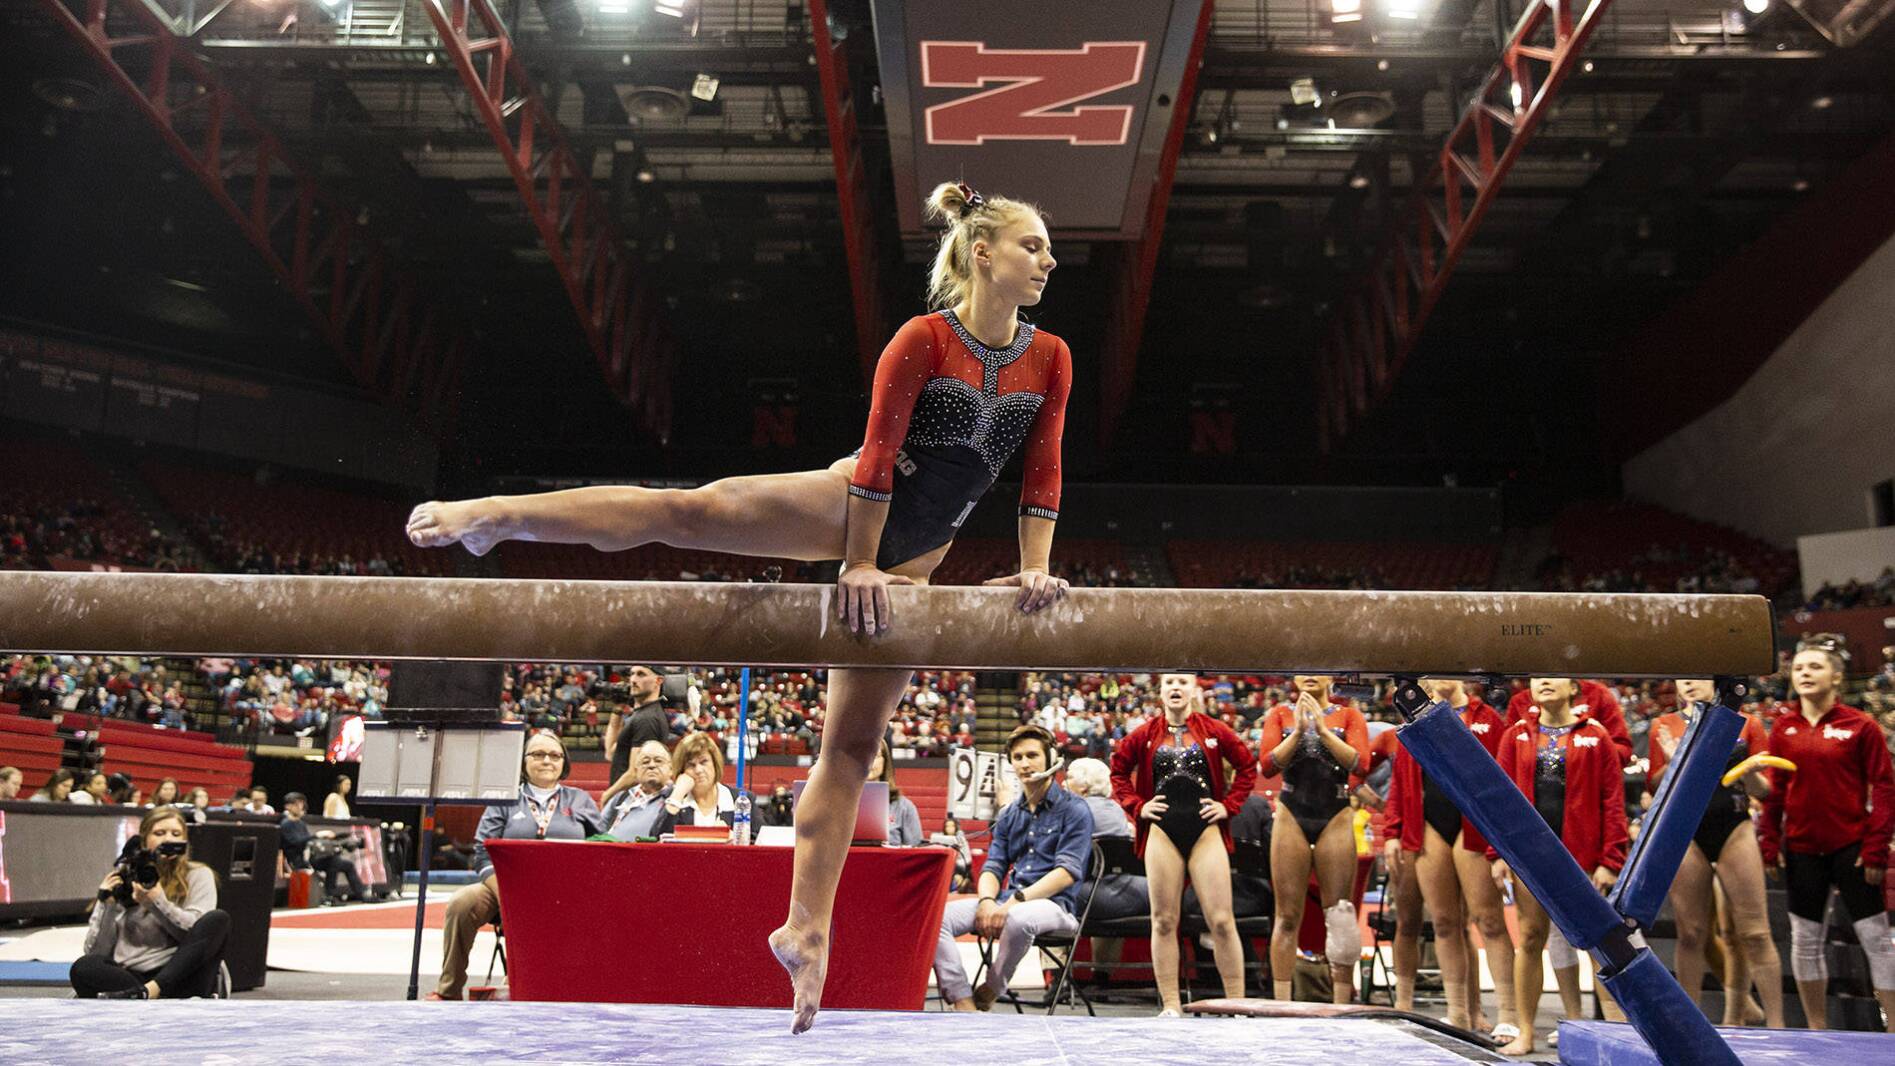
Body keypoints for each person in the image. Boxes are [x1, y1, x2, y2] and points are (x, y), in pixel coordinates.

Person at [407, 179, 1071, 1033]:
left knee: (852, 747)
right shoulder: (923, 338)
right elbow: (876, 458)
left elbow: (1043, 468)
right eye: (1032, 246)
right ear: (982, 253)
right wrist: (858, 563)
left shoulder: (1048, 356)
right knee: (692, 510)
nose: (1048, 260)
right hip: (850, 507)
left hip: (917, 559)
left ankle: (804, 928)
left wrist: (1033, 570)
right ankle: (497, 517)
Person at [1758, 636, 1895, 1031]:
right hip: (1802, 849)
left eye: (1815, 667)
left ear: (1837, 677)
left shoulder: (1861, 726)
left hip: (1852, 849)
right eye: (1799, 668)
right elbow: (1776, 792)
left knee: (1877, 941)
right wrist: (1769, 843)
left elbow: (1883, 789)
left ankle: (1892, 1032)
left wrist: (1875, 849)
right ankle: (1818, 1031)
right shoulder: (1783, 728)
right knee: (1804, 942)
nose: (1804, 673)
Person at [1490, 678, 1630, 1057]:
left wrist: (1610, 860)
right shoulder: (1516, 733)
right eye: (1538, 678)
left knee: (1597, 942)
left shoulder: (1596, 735)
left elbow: (1613, 801)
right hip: (1530, 855)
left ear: (1574, 689)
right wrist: (1499, 853)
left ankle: (1614, 1031)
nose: (1544, 682)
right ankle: (1525, 1032)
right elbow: (1497, 798)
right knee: (1531, 938)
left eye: (1554, 677)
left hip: (1581, 857)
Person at [1109, 673, 1258, 1014]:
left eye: (1182, 682)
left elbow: (1247, 766)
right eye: (1169, 683)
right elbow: (1117, 771)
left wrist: (1228, 806)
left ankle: (1236, 1005)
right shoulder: (1145, 733)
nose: (1176, 688)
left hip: (1205, 829)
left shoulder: (1214, 730)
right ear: (1160, 691)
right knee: (1163, 920)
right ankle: (1172, 1006)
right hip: (1163, 830)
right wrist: (1138, 806)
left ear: (1194, 689)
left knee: (1221, 919)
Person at [1381, 678, 1516, 1037]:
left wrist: (1502, 842)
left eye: (1446, 673)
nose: (1439, 680)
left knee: (1489, 921)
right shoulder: (1414, 721)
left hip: (1474, 825)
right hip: (1429, 825)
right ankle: (1457, 1013)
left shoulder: (1487, 718)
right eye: (1431, 675)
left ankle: (1508, 1012)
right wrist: (1392, 832)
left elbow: (1505, 780)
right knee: (1443, 922)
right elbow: (1400, 781)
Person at [1648, 678, 1782, 1028]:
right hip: (1685, 830)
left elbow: (1764, 791)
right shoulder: (1663, 726)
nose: (1690, 682)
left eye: (1699, 676)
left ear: (1717, 681)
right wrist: (1671, 761)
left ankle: (1779, 1028)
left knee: (1755, 932)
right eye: (1683, 677)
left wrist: (1751, 773)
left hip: (1733, 825)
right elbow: (1654, 786)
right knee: (1691, 933)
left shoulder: (1747, 723)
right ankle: (1687, 1026)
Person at [429, 730, 602, 1000]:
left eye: (555, 755)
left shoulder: (579, 799)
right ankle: (449, 989)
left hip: (565, 892)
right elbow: (481, 851)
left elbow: (600, 844)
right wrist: (509, 896)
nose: (547, 760)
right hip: (506, 888)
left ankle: (548, 984)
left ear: (563, 763)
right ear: (523, 762)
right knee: (462, 902)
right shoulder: (505, 799)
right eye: (538, 754)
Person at [932, 725, 1089, 1012]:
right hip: (1009, 901)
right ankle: (962, 998)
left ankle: (993, 986)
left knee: (1019, 919)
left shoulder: (1075, 809)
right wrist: (987, 902)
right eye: (1018, 757)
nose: (1025, 764)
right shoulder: (1009, 815)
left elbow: (1066, 873)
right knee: (934, 918)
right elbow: (994, 865)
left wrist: (1011, 904)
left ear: (1051, 757)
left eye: (1032, 755)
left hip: (1056, 907)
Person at [1259, 674, 1368, 1003]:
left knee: (1340, 913)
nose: (1310, 675)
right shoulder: (1279, 714)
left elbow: (1360, 764)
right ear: (1294, 677)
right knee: (1287, 915)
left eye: (1317, 669)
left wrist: (1321, 730)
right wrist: (1299, 732)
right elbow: (1266, 766)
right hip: (1292, 812)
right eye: (1303, 669)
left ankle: (1341, 1004)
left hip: (1334, 812)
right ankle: (1281, 1003)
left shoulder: (1348, 715)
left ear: (1329, 676)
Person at [71, 806, 229, 998]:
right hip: (132, 977)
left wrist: (156, 903)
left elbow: (195, 934)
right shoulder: (128, 877)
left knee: (218, 920)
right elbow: (96, 951)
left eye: (176, 833)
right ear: (145, 839)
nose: (168, 839)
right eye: (159, 833)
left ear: (184, 841)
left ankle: (150, 993)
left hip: (179, 976)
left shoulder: (199, 875)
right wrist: (107, 904)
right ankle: (141, 995)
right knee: (83, 967)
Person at [279, 792, 366, 906]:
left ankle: (362, 894)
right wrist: (317, 835)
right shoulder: (286, 824)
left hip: (310, 856)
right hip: (298, 860)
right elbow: (295, 843)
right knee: (333, 861)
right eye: (296, 804)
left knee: (346, 864)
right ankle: (329, 896)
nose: (300, 806)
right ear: (288, 806)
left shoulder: (300, 823)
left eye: (301, 803)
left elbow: (307, 842)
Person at [656, 730, 736, 832]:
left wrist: (735, 839)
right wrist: (677, 796)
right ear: (682, 770)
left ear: (715, 764)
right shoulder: (670, 798)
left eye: (703, 762)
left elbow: (760, 839)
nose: (698, 770)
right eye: (691, 765)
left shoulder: (738, 799)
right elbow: (655, 839)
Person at [602, 665, 670, 784]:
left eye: (641, 674)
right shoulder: (640, 715)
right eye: (632, 674)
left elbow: (635, 773)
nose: (633, 680)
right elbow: (610, 753)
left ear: (658, 681)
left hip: (630, 798)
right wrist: (617, 709)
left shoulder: (647, 719)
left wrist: (608, 797)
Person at [601, 740, 674, 841]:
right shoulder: (621, 797)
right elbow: (597, 830)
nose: (651, 765)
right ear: (636, 770)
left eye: (658, 761)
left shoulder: (675, 799)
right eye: (645, 762)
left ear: (671, 769)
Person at [870, 738, 923, 845]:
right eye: (860, 756)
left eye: (875, 755)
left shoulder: (904, 807)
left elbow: (915, 850)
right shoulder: (839, 804)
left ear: (885, 761)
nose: (868, 761)